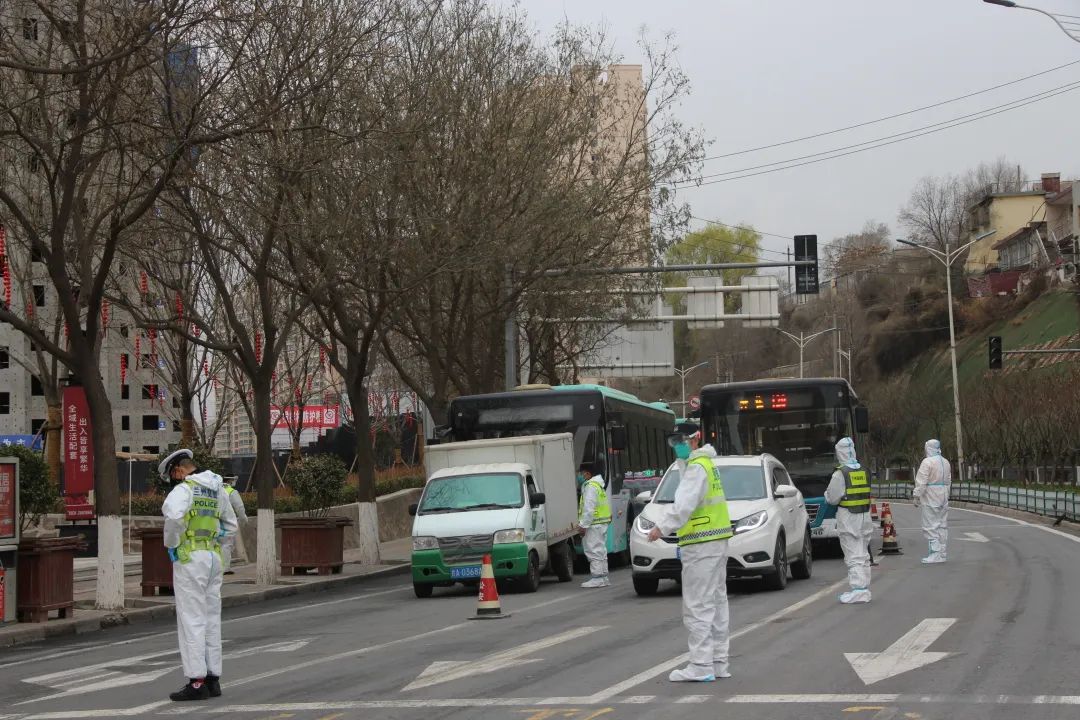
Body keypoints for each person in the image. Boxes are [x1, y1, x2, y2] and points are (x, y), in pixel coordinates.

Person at [647, 430, 733, 682]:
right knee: (716, 603)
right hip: (716, 540)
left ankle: (701, 665)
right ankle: (718, 662)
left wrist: (661, 527)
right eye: (673, 443)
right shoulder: (707, 464)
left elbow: (683, 505)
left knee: (698, 605)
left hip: (700, 542)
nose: (677, 447)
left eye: (681, 442)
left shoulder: (697, 468)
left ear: (694, 440)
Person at [159, 449, 238, 701]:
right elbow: (231, 526)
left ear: (179, 470)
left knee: (191, 619)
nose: (174, 481)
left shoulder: (183, 490)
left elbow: (173, 517)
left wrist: (172, 544)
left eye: (173, 476)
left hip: (190, 559)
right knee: (211, 618)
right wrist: (220, 553)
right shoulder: (217, 489)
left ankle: (196, 682)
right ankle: (213, 678)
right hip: (213, 558)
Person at [824, 437, 873, 604]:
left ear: (840, 453)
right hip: (864, 516)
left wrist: (826, 495)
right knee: (863, 553)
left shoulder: (841, 473)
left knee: (853, 554)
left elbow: (832, 498)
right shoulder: (864, 470)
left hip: (848, 517)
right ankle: (863, 587)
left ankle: (859, 590)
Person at [913, 439, 952, 564]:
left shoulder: (927, 462)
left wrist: (916, 495)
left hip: (931, 495)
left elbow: (921, 481)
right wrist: (946, 494)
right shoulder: (945, 462)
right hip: (943, 495)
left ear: (928, 448)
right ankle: (942, 553)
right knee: (942, 525)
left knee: (930, 525)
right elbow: (948, 480)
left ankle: (935, 554)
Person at [577, 463, 611, 588]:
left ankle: (597, 578)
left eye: (581, 473)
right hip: (601, 523)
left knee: (593, 550)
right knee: (601, 550)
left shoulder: (590, 486)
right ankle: (603, 577)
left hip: (593, 524)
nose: (580, 476)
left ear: (587, 473)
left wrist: (583, 525)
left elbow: (588, 508)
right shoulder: (598, 485)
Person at [220, 478, 247, 575]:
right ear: (230, 481)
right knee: (227, 544)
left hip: (212, 521)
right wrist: (244, 519)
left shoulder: (215, 489)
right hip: (226, 521)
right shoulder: (231, 491)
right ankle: (225, 568)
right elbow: (239, 507)